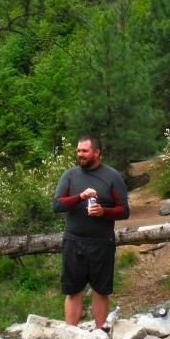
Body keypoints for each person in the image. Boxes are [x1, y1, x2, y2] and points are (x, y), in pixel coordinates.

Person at [52, 135, 130, 328]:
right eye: (78, 151)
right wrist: (80, 196)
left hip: (102, 242)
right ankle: (71, 334)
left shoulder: (112, 176)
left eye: (84, 151)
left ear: (97, 152)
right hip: (73, 241)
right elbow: (57, 205)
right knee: (73, 291)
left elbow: (124, 211)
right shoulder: (70, 175)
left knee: (101, 291)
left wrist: (103, 212)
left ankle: (100, 334)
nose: (80, 154)